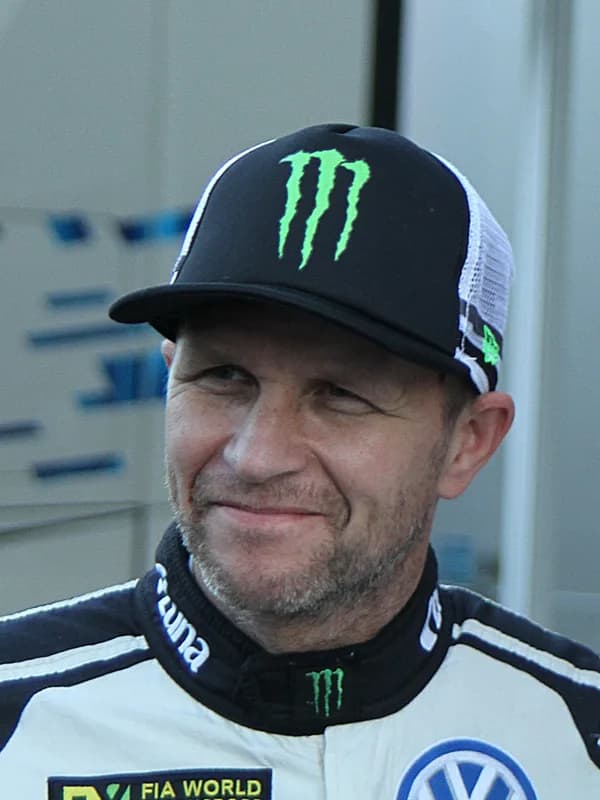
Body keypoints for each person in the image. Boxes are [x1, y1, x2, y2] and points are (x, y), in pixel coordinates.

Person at [1, 123, 599, 798]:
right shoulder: (15, 717)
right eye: (224, 376)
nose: (257, 457)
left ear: (468, 442)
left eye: (341, 395)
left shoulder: (578, 744)